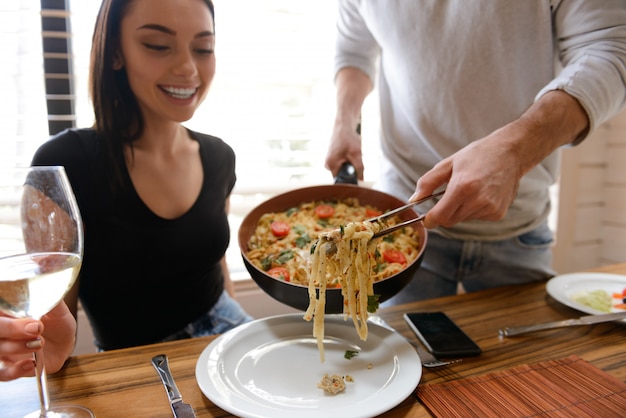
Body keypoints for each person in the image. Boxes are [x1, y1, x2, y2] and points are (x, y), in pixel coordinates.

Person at [0, 0, 253, 381]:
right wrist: (43, 347)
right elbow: (54, 320)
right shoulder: (64, 163)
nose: (188, 67)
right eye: (157, 45)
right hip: (137, 364)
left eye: (203, 48)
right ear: (115, 53)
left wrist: (235, 334)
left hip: (227, 332)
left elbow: (215, 267)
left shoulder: (220, 156)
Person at [325, 1, 626, 305]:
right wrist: (344, 123)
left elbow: (611, 51)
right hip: (402, 222)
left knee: (531, 354)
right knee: (394, 350)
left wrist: (514, 151)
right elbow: (354, 52)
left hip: (517, 226)